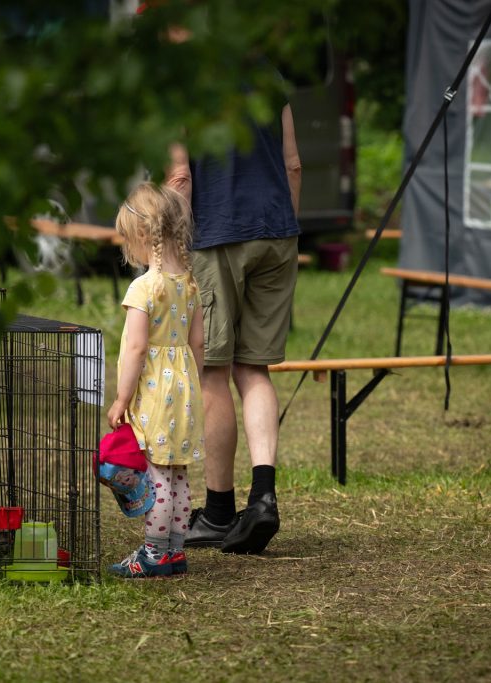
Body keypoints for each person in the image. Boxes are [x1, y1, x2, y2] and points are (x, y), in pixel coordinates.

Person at [166, 84, 302, 555]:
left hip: (217, 233)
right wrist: (285, 229)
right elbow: (293, 165)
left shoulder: (184, 77)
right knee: (254, 369)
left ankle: (220, 511)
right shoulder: (269, 73)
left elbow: (180, 177)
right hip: (278, 231)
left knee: (212, 371)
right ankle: (263, 497)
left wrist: (172, 256)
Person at [105, 182, 206, 578]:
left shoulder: (144, 287)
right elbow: (198, 345)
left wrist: (120, 398)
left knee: (157, 475)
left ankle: (153, 553)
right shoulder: (190, 284)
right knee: (177, 473)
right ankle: (175, 550)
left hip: (154, 392)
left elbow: (135, 349)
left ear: (143, 237)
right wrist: (191, 386)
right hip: (185, 391)